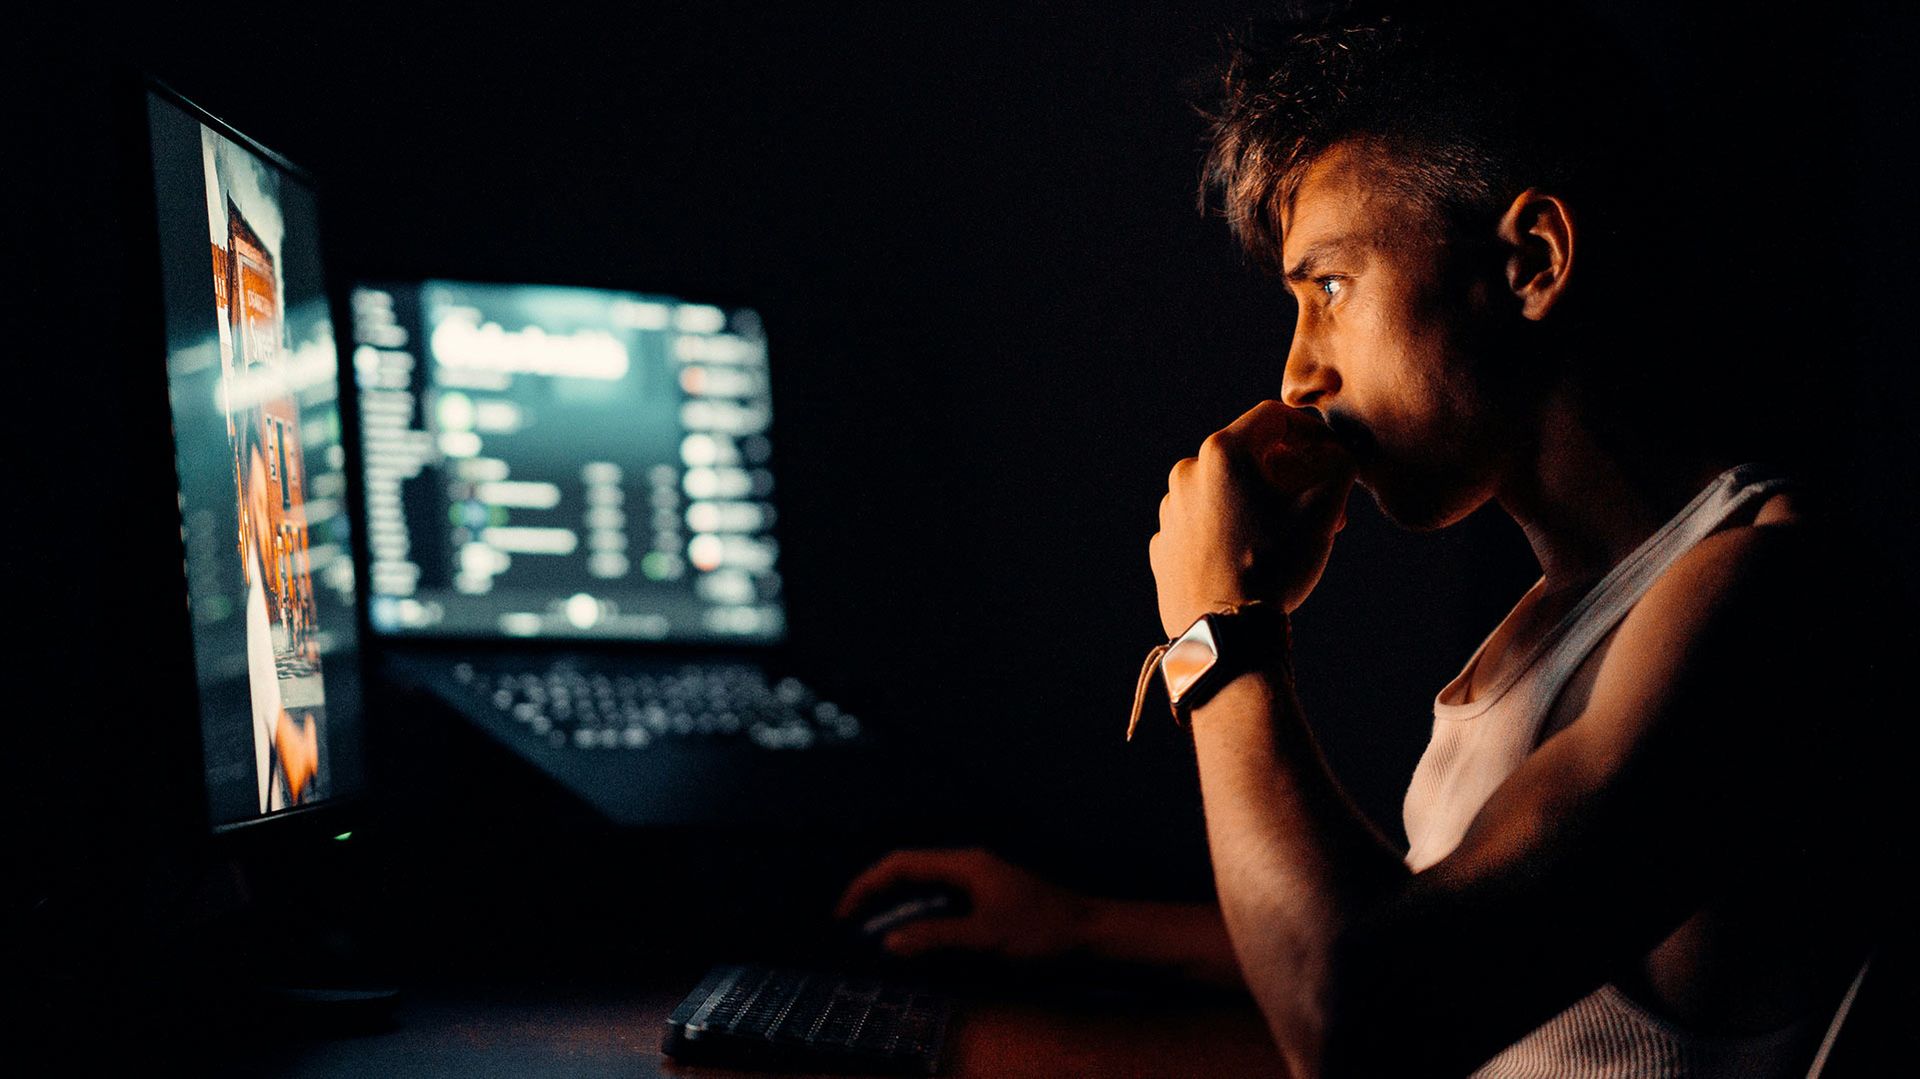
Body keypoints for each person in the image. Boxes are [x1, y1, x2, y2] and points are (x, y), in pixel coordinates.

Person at [837, 3, 1891, 1075]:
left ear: (1531, 260)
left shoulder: (1773, 593)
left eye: (1329, 287)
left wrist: (1220, 632)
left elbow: (1357, 1016)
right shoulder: (1579, 606)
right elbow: (1462, 936)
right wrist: (1077, 925)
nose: (1299, 374)